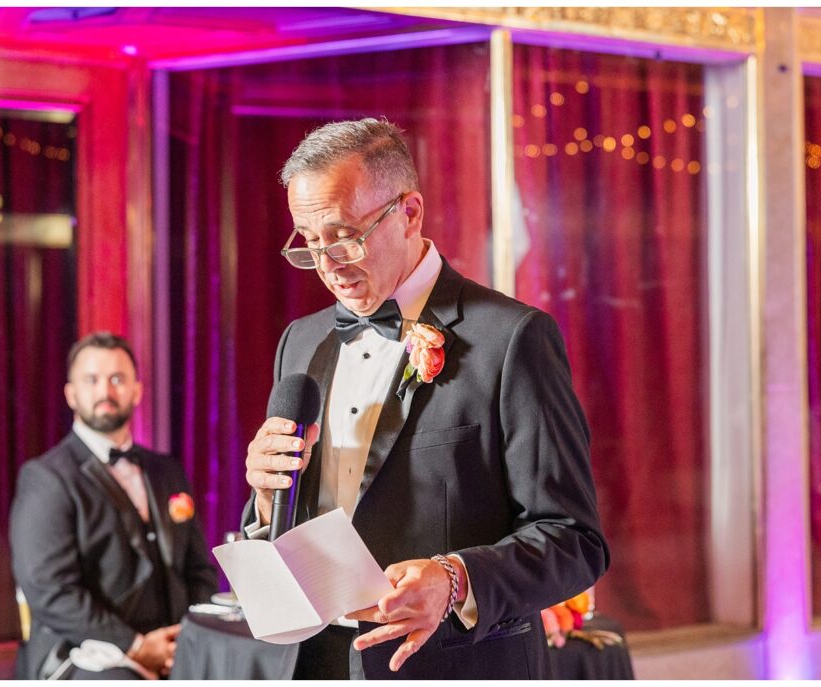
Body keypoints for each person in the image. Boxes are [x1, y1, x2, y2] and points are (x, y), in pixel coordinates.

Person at [242, 118, 610, 679]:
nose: (328, 265)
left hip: (454, 665)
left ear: (409, 212)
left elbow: (574, 540)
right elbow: (286, 525)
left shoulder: (511, 339)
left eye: (343, 236)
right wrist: (267, 501)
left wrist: (456, 578)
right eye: (309, 244)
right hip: (315, 663)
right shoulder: (302, 340)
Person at [10, 331, 217, 679]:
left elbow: (199, 570)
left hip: (178, 646)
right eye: (91, 380)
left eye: (117, 379)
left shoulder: (167, 471)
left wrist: (188, 637)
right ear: (71, 395)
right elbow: (50, 590)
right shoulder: (45, 478)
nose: (105, 392)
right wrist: (136, 646)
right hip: (85, 653)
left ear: (136, 391)